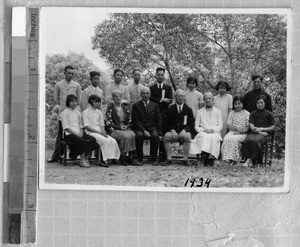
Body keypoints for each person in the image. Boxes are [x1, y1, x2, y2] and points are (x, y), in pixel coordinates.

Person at [48, 65, 82, 163]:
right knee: (61, 135)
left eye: (72, 73)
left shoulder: (77, 85)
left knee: (74, 133)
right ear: (64, 73)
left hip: (74, 113)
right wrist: (62, 108)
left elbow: (78, 99)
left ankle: (73, 154)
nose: (70, 75)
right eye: (68, 73)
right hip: (63, 113)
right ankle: (56, 156)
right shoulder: (58, 84)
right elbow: (56, 98)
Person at [60, 95, 99, 168]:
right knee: (82, 141)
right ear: (68, 102)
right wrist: (77, 134)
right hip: (69, 134)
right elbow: (66, 127)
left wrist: (81, 132)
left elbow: (81, 125)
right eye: (72, 101)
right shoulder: (64, 113)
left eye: (75, 101)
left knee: (92, 139)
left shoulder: (78, 112)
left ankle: (86, 157)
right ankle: (82, 160)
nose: (74, 103)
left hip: (79, 132)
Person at [82, 95, 120, 167]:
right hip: (90, 132)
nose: (99, 103)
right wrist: (99, 133)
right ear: (92, 102)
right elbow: (87, 126)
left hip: (99, 131)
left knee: (112, 140)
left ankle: (111, 159)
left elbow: (102, 125)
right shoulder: (85, 112)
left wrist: (103, 132)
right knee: (104, 140)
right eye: (97, 102)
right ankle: (102, 160)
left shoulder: (99, 112)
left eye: (99, 102)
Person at [131, 87, 163, 166]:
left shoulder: (155, 105)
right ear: (141, 94)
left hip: (152, 128)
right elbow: (135, 120)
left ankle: (154, 158)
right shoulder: (136, 105)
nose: (145, 95)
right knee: (139, 136)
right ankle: (140, 158)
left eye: (147, 93)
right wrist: (143, 130)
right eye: (144, 93)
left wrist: (160, 133)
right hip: (139, 128)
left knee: (155, 136)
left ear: (150, 94)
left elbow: (158, 120)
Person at [190, 92, 223, 166]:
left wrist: (213, 130)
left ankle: (214, 159)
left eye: (209, 98)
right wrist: (204, 130)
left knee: (214, 137)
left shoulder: (217, 111)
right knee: (202, 137)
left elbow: (220, 125)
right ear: (204, 100)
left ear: (213, 99)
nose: (208, 100)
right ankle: (202, 159)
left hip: (214, 132)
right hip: (203, 132)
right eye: (206, 99)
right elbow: (196, 126)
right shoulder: (200, 112)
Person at [163, 89, 195, 166]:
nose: (180, 98)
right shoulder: (170, 109)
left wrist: (185, 130)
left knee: (187, 137)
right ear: (175, 97)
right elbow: (166, 122)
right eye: (178, 96)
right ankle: (169, 158)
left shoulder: (188, 109)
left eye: (182, 96)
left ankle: (185, 159)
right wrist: (172, 130)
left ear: (184, 98)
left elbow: (191, 123)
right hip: (173, 132)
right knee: (166, 137)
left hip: (184, 132)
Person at [241, 95, 275, 167]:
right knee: (247, 140)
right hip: (255, 133)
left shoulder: (269, 114)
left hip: (264, 135)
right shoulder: (253, 114)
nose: (259, 104)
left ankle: (249, 162)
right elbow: (252, 126)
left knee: (255, 141)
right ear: (256, 104)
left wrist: (262, 129)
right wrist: (260, 131)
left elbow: (272, 127)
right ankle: (254, 162)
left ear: (265, 103)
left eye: (261, 102)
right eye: (258, 103)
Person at [106, 90, 137, 166]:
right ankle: (122, 157)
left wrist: (127, 126)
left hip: (125, 128)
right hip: (114, 130)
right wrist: (119, 127)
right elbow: (108, 121)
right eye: (116, 96)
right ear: (113, 98)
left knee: (132, 134)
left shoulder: (125, 106)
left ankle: (130, 157)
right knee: (124, 136)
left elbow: (130, 118)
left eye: (120, 96)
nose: (118, 98)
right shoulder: (110, 107)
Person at [149, 67, 173, 162]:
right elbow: (151, 99)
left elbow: (170, 100)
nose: (160, 76)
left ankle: (163, 156)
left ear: (164, 76)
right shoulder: (151, 88)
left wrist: (163, 100)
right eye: (158, 74)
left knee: (163, 134)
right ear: (156, 75)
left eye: (162, 74)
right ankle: (153, 156)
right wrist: (162, 100)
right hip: (154, 115)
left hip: (165, 115)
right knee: (154, 134)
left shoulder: (168, 88)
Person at [221, 96, 250, 165]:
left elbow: (248, 126)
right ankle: (227, 159)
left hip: (242, 133)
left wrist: (242, 131)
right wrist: (236, 128)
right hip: (232, 131)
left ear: (243, 104)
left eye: (239, 104)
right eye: (235, 104)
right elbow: (228, 125)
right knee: (226, 138)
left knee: (234, 140)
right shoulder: (232, 113)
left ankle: (234, 159)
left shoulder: (247, 113)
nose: (237, 106)